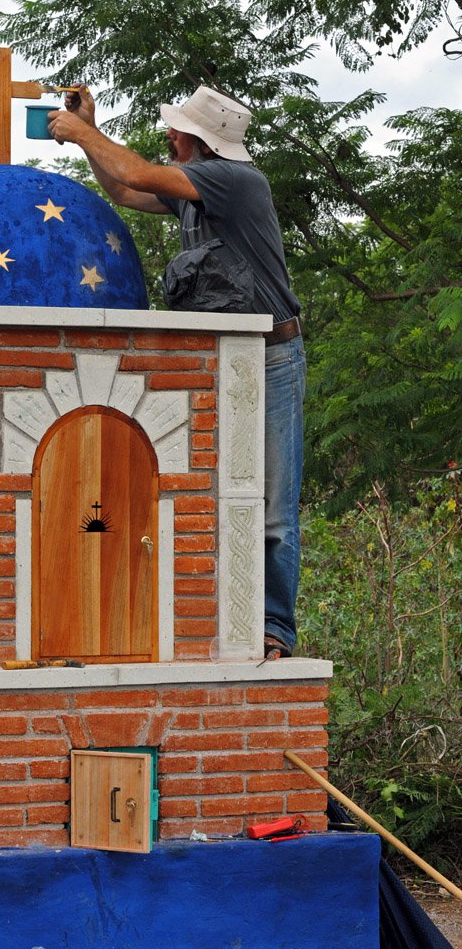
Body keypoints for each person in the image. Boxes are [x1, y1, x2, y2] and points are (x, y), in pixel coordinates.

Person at [49, 85, 305, 658]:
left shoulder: (235, 180)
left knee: (273, 507)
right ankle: (224, 619)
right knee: (216, 493)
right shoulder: (194, 191)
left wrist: (83, 132)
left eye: (177, 129)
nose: (169, 134)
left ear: (201, 141)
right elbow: (124, 188)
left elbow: (137, 172)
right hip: (219, 360)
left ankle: (275, 631)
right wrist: (89, 134)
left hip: (270, 358)